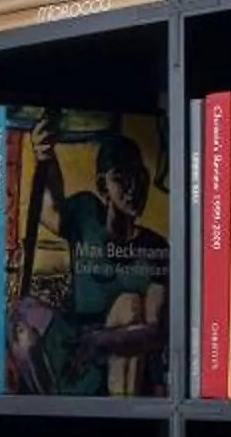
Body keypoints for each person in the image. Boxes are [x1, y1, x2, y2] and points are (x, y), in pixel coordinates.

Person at [9, 120, 168, 395]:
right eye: (121, 177)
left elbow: (155, 331)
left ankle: (120, 411)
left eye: (139, 176)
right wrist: (44, 156)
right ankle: (50, 407)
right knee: (20, 316)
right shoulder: (85, 214)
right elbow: (50, 210)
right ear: (103, 187)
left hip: (118, 351)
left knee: (129, 303)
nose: (133, 188)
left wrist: (102, 340)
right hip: (75, 340)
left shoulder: (155, 246)